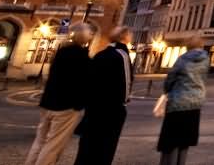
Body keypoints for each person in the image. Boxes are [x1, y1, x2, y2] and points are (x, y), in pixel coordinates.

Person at [24, 23, 93, 165]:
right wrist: (81, 103)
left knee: (40, 140)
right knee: (53, 145)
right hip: (66, 107)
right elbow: (85, 83)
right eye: (90, 33)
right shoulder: (81, 56)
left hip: (48, 102)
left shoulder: (61, 52)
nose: (91, 36)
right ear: (83, 37)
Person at [74, 26, 134, 165]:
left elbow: (88, 80)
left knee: (87, 147)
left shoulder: (101, 54)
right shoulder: (122, 54)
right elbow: (127, 82)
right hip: (112, 109)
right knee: (105, 149)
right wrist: (124, 101)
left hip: (93, 108)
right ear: (124, 37)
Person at [157, 36, 209, 165]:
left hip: (178, 102)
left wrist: (167, 91)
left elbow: (171, 78)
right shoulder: (205, 59)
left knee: (171, 140)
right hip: (195, 103)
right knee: (185, 140)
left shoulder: (183, 59)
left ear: (188, 46)